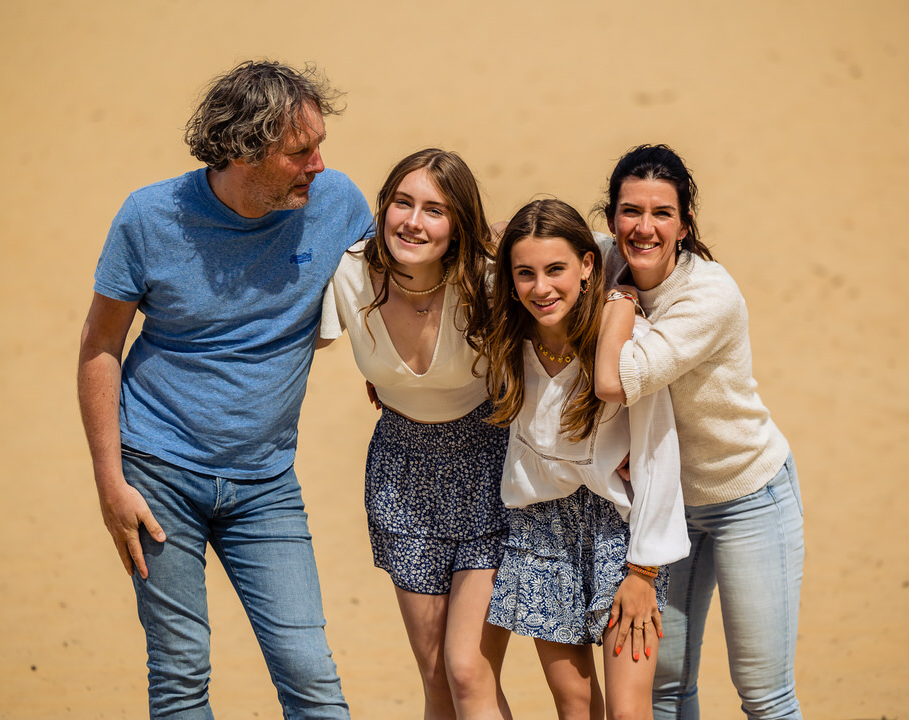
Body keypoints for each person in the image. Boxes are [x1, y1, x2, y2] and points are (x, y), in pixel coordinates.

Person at [76, 60, 373, 719]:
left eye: (319, 145)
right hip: (157, 478)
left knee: (311, 679)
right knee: (180, 678)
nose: (319, 165)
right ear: (244, 149)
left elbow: (403, 292)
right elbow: (100, 346)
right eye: (300, 152)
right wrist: (110, 485)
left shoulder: (340, 205)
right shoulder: (150, 217)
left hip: (266, 484)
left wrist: (394, 379)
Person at [594, 144, 804, 719]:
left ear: (685, 224)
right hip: (665, 505)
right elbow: (519, 264)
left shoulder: (708, 295)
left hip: (747, 495)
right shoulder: (600, 260)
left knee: (765, 695)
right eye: (631, 211)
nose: (645, 227)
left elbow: (616, 380)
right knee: (662, 687)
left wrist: (614, 300)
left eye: (662, 213)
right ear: (611, 217)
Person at [319, 149, 512, 719]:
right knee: (435, 678)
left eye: (434, 210)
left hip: (490, 468)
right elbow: (278, 338)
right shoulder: (351, 272)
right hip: (401, 474)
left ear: (458, 228)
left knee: (466, 669)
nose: (413, 221)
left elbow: (575, 272)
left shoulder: (489, 279)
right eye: (403, 203)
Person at [482, 199, 689, 720]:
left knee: (626, 710)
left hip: (622, 535)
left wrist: (643, 570)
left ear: (588, 266)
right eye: (524, 273)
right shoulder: (506, 341)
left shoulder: (624, 343)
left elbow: (657, 455)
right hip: (540, 529)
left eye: (556, 269)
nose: (541, 288)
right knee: (574, 705)